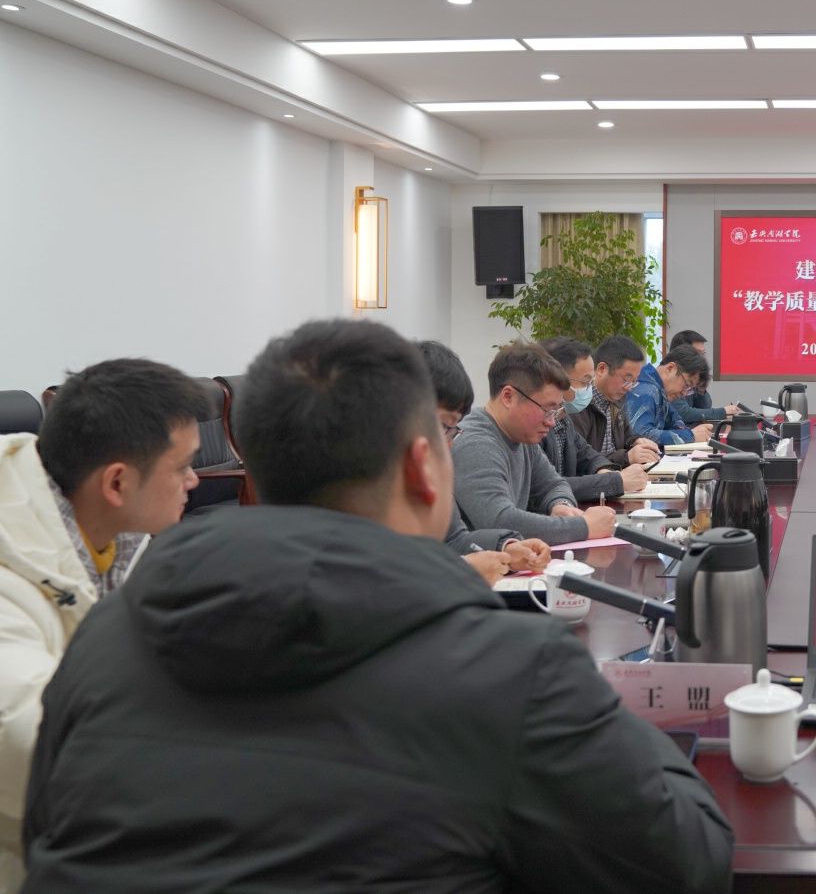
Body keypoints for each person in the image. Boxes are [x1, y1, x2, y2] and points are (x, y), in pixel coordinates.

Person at [22, 319, 735, 891]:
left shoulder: (104, 636)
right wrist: (628, 713)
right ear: (424, 468)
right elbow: (688, 858)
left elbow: (45, 834)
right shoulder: (508, 669)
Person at [0, 360, 207, 890]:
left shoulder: (118, 539)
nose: (194, 480)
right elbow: (32, 741)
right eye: (183, 466)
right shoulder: (9, 583)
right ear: (117, 482)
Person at [415, 340, 551, 585]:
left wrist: (506, 547)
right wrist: (462, 569)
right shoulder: (364, 483)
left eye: (453, 430)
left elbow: (455, 540)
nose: (449, 445)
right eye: (445, 426)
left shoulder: (431, 470)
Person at [453, 342, 616, 544]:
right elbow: (500, 521)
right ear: (508, 397)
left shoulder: (522, 435)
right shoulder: (475, 444)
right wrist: (584, 527)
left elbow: (554, 484)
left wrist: (561, 505)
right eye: (547, 409)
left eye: (556, 410)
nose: (552, 421)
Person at [537, 336, 652, 500]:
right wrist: (615, 479)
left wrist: (605, 470)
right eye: (585, 382)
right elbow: (544, 486)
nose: (589, 388)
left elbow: (586, 454)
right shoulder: (533, 425)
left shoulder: (563, 417)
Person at [571, 335, 663, 468]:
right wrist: (626, 458)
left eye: (634, 381)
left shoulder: (616, 400)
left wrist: (636, 441)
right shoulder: (578, 404)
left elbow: (627, 436)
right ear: (602, 369)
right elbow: (581, 462)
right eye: (626, 379)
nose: (629, 387)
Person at [626, 345, 715, 447]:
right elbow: (640, 436)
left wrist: (693, 433)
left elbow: (676, 422)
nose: (684, 393)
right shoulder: (646, 390)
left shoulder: (660, 391)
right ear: (670, 368)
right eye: (687, 385)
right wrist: (691, 435)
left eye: (690, 390)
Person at [668, 330, 740, 425]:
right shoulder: (671, 378)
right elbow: (683, 413)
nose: (702, 359)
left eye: (703, 353)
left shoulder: (690, 376)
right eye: (698, 353)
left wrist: (701, 387)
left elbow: (704, 408)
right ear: (682, 353)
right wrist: (723, 411)